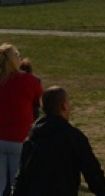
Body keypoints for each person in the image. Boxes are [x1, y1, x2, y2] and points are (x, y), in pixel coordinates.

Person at [10, 86, 105, 196]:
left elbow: (22, 176)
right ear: (64, 106)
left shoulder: (33, 137)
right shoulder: (73, 137)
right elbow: (92, 172)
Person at [0, 44, 43, 194]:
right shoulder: (29, 81)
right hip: (20, 138)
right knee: (16, 184)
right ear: (14, 60)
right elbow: (41, 103)